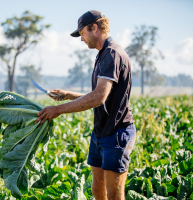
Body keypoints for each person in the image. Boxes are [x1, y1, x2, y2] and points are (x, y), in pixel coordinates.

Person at [35, 10, 136, 200]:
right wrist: (68, 95)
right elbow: (102, 95)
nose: (81, 39)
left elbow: (98, 97)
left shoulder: (112, 53)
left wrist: (57, 110)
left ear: (94, 28)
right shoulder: (103, 54)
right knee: (98, 191)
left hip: (116, 132)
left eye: (82, 33)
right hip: (101, 132)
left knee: (114, 195)